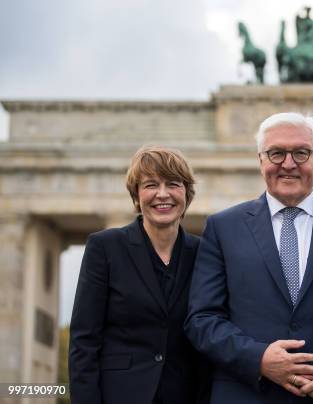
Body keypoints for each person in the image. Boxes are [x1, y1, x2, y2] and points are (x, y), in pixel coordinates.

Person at [185, 112, 313, 403]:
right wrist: (259, 358)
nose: (288, 163)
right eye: (276, 153)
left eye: (301, 153)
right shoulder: (222, 228)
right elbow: (202, 319)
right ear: (261, 161)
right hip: (246, 394)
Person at [69, 146, 210, 404]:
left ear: (187, 194)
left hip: (185, 395)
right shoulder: (105, 247)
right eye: (150, 185)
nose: (162, 194)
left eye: (173, 184)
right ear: (136, 194)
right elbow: (84, 341)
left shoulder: (203, 252)